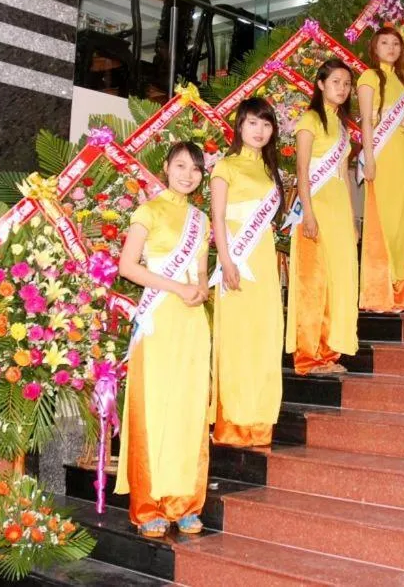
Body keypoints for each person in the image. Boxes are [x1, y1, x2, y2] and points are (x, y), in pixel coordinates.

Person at [115, 141, 211, 538]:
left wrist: (202, 289)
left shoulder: (201, 220)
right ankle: (149, 504)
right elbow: (127, 266)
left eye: (195, 169)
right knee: (155, 410)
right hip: (158, 319)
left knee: (188, 411)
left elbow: (203, 271)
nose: (187, 174)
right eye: (180, 166)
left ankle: (184, 502)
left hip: (191, 322)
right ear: (166, 167)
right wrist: (176, 286)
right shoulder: (148, 211)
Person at [210, 98, 285, 448]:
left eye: (267, 125)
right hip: (237, 261)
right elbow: (218, 218)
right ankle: (234, 424)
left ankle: (260, 422)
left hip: (265, 260)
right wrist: (226, 261)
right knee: (238, 338)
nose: (260, 131)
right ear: (240, 126)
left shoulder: (270, 171)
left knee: (265, 336)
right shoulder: (225, 167)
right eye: (254, 123)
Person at [285, 59, 359, 375]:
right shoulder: (310, 121)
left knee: (338, 280)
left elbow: (343, 173)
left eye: (346, 83)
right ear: (320, 84)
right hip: (315, 209)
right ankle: (309, 355)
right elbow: (301, 170)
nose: (341, 88)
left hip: (339, 211)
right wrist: (310, 214)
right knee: (313, 281)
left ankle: (328, 351)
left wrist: (353, 219)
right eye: (335, 82)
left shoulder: (341, 127)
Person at [358, 27, 404, 313]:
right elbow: (367, 123)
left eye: (396, 43)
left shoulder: (402, 80)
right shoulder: (370, 77)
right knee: (382, 220)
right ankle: (377, 293)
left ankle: (398, 290)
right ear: (375, 47)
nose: (391, 48)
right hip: (382, 158)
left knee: (401, 220)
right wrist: (369, 158)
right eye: (385, 42)